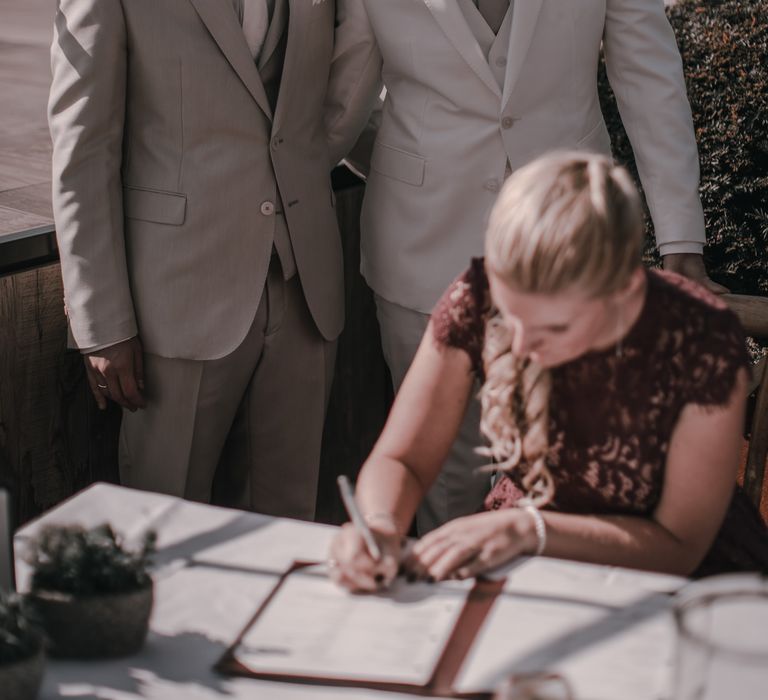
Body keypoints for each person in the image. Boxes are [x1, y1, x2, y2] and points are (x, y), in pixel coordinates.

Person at [325, 0, 727, 533]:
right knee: (441, 483)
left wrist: (682, 241)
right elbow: (345, 96)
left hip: (574, 254)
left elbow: (648, 73)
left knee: (570, 476)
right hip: (420, 247)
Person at [328, 152, 768, 591]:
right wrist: (380, 524)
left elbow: (679, 545)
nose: (519, 345)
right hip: (527, 561)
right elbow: (404, 458)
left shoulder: (700, 340)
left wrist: (529, 531)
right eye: (509, 316)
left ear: (625, 290)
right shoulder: (477, 297)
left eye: (554, 327)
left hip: (679, 584)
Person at [49, 0, 343, 518]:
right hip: (174, 303)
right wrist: (101, 321)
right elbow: (83, 151)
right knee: (162, 532)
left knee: (288, 529)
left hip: (302, 287)